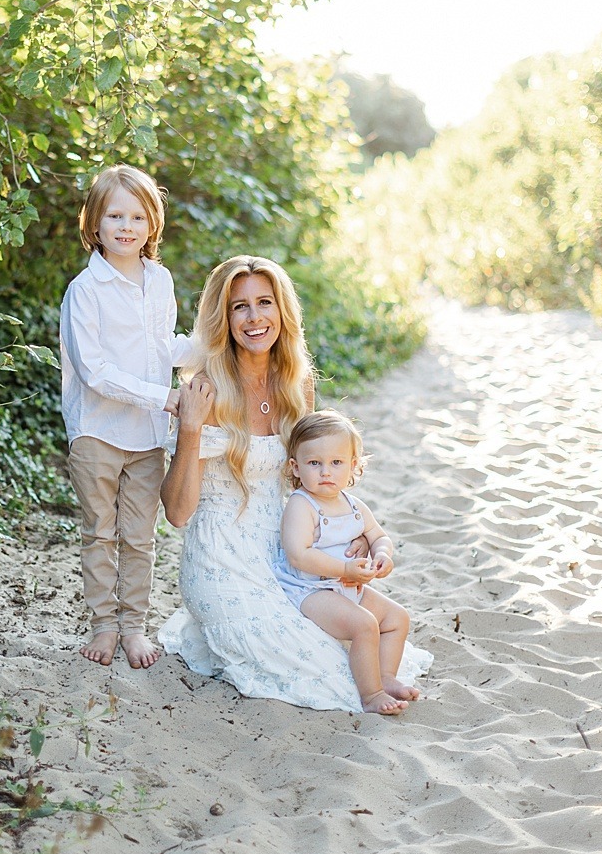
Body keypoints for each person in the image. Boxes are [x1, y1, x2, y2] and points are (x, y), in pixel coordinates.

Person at [156, 256, 432, 713]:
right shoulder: (205, 388)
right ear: (222, 318)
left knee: (348, 648)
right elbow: (178, 513)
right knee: (313, 668)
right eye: (239, 306)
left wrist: (358, 535)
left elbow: (314, 477)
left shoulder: (294, 384)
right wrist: (190, 429)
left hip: (286, 549)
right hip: (220, 555)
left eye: (265, 302)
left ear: (282, 311)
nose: (254, 317)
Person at [58, 164, 193, 669]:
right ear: (94, 223)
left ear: (152, 224)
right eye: (115, 214)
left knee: (139, 535)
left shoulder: (159, 280)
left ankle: (134, 625)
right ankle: (104, 625)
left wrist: (208, 346)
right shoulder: (85, 290)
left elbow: (165, 346)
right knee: (99, 530)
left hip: (147, 437)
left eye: (137, 216)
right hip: (96, 429)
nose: (126, 226)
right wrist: (163, 397)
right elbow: (95, 370)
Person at [273, 410, 420, 715]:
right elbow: (298, 554)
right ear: (296, 467)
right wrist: (344, 570)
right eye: (315, 463)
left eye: (336, 462)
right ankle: (371, 694)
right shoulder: (303, 505)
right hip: (311, 590)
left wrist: (383, 556)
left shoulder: (353, 505)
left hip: (348, 585)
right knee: (364, 624)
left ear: (353, 465)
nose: (326, 471)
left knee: (397, 618)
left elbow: (379, 536)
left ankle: (386, 675)